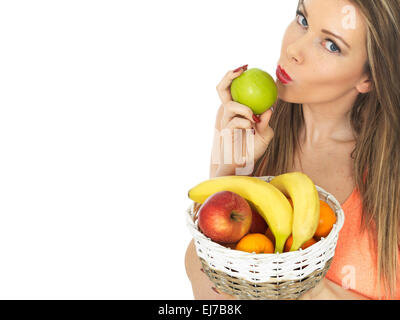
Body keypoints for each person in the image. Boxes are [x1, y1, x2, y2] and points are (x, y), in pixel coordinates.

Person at [185, 0, 400, 300]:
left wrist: (310, 289)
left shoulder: (391, 173)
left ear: (368, 77)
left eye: (331, 45)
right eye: (302, 19)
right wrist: (231, 171)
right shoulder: (249, 129)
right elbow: (207, 274)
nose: (293, 50)